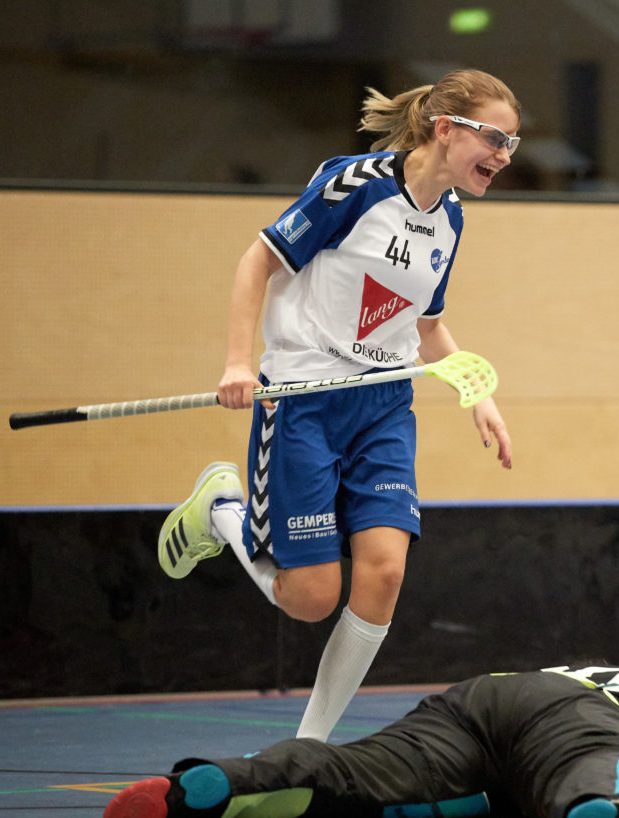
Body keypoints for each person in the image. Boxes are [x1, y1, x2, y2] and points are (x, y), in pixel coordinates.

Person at [154, 69, 518, 742]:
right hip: (305, 398)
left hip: (383, 406)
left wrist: (479, 393)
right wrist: (239, 363)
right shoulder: (353, 185)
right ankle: (222, 509)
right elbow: (257, 262)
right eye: (493, 137)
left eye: (511, 144)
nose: (503, 154)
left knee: (383, 573)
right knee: (312, 598)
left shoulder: (452, 221)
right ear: (446, 129)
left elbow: (426, 324)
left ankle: (309, 747)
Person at [102, 665, 619, 818]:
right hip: (560, 712)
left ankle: (204, 790)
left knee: (357, 773)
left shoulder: (582, 667)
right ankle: (606, 804)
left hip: (466, 710)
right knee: (591, 756)